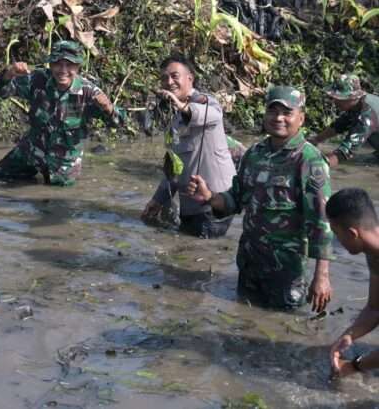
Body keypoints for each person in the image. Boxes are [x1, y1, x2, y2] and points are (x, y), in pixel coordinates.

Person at [187, 85, 333, 311]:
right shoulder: (254, 154)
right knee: (243, 319)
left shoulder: (309, 161)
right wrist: (209, 196)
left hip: (285, 270)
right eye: (273, 111)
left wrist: (322, 277)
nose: (279, 118)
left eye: (287, 113)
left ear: (301, 118)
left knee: (283, 328)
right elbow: (235, 200)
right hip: (249, 263)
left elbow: (321, 223)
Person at [0, 40, 125, 186]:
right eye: (58, 64)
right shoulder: (38, 79)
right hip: (33, 149)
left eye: (69, 65)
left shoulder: (89, 92)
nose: (63, 70)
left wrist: (108, 108)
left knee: (59, 199)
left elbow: (118, 123)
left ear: (78, 67)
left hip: (63, 160)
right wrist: (8, 75)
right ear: (51, 65)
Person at [141, 54, 237, 238]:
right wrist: (158, 200)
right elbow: (174, 168)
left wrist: (180, 105)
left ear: (190, 78)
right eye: (164, 78)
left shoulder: (206, 102)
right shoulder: (174, 119)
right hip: (191, 205)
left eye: (174, 76)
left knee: (200, 253)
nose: (169, 82)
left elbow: (212, 115)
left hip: (214, 203)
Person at [327, 188, 379, 378]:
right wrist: (348, 336)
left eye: (335, 232)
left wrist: (354, 366)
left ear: (352, 233)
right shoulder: (374, 255)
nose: (336, 240)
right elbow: (374, 308)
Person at [310, 74, 379, 167]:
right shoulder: (357, 104)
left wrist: (318, 166)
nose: (334, 101)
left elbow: (346, 151)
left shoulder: (366, 114)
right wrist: (316, 140)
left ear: (352, 97)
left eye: (339, 98)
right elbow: (339, 125)